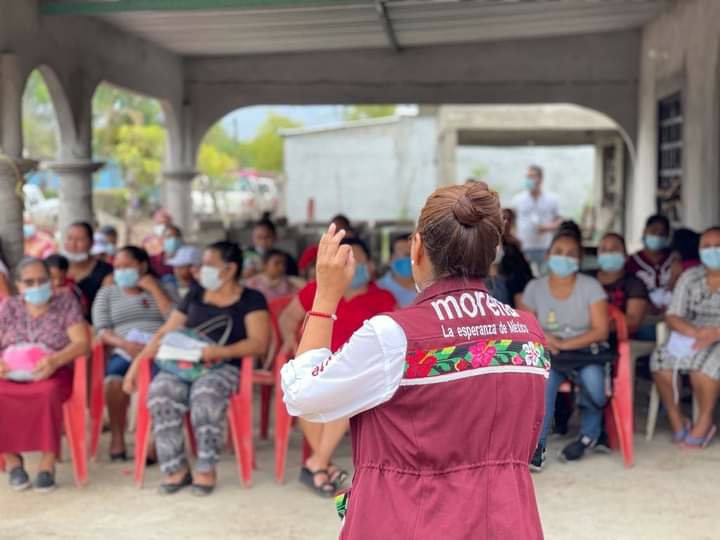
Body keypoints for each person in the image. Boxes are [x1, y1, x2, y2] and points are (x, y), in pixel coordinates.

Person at [282, 182, 548, 538]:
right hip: (506, 522)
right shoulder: (528, 332)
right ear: (491, 253)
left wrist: (325, 297)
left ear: (417, 248)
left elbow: (302, 394)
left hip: (410, 521)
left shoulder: (393, 335)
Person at [122, 242, 270, 496]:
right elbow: (166, 331)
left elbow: (259, 343)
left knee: (206, 394)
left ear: (230, 269)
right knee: (161, 392)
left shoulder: (251, 299)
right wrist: (136, 366)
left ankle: (206, 468)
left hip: (223, 366)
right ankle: (175, 468)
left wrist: (219, 352)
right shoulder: (196, 293)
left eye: (209, 265)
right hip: (183, 364)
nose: (201, 270)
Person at [279, 237, 396, 497]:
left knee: (342, 392)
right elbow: (287, 318)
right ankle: (321, 463)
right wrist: (289, 339)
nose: (350, 266)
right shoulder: (316, 290)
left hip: (356, 371)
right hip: (316, 364)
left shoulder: (382, 297)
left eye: (357, 261)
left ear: (370, 266)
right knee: (307, 385)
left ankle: (318, 463)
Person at [519, 230, 609, 468]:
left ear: (579, 259)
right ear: (548, 255)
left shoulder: (591, 287)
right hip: (549, 351)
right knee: (544, 383)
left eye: (571, 254)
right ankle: (537, 446)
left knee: (594, 384)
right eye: (558, 252)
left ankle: (589, 436)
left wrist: (565, 344)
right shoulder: (534, 287)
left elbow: (601, 330)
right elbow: (525, 326)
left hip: (585, 350)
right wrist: (548, 340)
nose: (564, 257)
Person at [0, 257, 89, 492]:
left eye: (42, 280)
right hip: (11, 373)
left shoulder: (65, 302)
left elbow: (82, 343)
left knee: (47, 393)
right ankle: (12, 460)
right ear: (18, 285)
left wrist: (55, 360)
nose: (36, 286)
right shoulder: (9, 306)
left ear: (51, 281)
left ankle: (47, 465)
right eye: (29, 282)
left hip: (52, 372)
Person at [92, 246, 173, 460]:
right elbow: (101, 329)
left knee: (158, 382)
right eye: (117, 267)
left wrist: (155, 290)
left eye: (127, 266)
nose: (121, 271)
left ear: (143, 266)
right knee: (113, 381)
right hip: (125, 349)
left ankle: (151, 440)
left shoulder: (165, 288)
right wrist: (125, 344)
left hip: (159, 349)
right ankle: (117, 438)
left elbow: (176, 320)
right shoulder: (108, 293)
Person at [650, 226, 720, 448]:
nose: (712, 251)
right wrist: (696, 333)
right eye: (707, 246)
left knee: (703, 367)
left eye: (718, 246)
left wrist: (715, 333)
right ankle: (677, 420)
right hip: (692, 333)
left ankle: (705, 421)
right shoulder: (690, 277)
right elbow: (673, 315)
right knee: (660, 361)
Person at [626, 214, 681, 330]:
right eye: (653, 231)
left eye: (662, 233)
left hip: (673, 315)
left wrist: (675, 276)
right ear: (644, 231)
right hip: (643, 316)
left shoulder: (675, 259)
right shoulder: (631, 261)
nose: (657, 236)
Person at [590, 233, 649, 336]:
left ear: (626, 256)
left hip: (620, 339)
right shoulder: (587, 279)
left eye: (614, 249)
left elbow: (633, 321)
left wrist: (598, 326)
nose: (608, 253)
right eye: (603, 249)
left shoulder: (635, 284)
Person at [511, 165, 562, 272]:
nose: (529, 180)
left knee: (544, 276)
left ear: (541, 179)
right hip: (524, 247)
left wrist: (548, 227)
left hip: (545, 247)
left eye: (532, 176)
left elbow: (560, 220)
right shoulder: (518, 199)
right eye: (527, 177)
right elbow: (512, 222)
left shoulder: (553, 199)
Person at [64, 222, 114, 322]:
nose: (73, 245)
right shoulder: (54, 267)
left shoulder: (105, 271)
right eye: (69, 239)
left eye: (80, 240)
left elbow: (107, 305)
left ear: (92, 243)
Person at [376, 235, 417, 307]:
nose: (407, 258)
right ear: (390, 259)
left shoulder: (428, 287)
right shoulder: (378, 288)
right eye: (402, 254)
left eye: (410, 254)